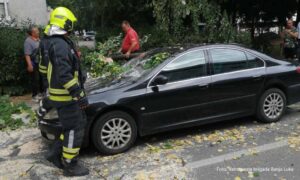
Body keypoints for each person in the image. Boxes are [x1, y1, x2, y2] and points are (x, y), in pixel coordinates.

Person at [44, 7, 89, 176]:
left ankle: (55, 153)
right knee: (75, 129)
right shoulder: (59, 44)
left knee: (71, 127)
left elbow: (68, 68)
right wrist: (79, 94)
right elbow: (64, 75)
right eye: (70, 23)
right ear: (64, 22)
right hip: (66, 97)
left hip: (65, 97)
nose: (72, 26)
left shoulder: (59, 42)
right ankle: (70, 165)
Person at [24, 26, 44, 101]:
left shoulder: (39, 40)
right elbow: (27, 54)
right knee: (35, 79)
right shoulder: (28, 41)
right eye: (36, 31)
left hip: (40, 62)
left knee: (42, 78)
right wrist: (29, 65)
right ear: (32, 33)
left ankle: (42, 93)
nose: (38, 32)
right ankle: (34, 95)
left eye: (38, 30)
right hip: (33, 62)